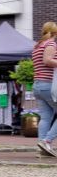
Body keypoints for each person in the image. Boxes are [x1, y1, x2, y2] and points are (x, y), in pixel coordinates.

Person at [32, 21, 57, 157]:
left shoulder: (37, 46)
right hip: (48, 85)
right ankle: (47, 141)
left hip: (38, 85)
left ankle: (42, 147)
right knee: (47, 117)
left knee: (46, 117)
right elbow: (47, 60)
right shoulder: (51, 44)